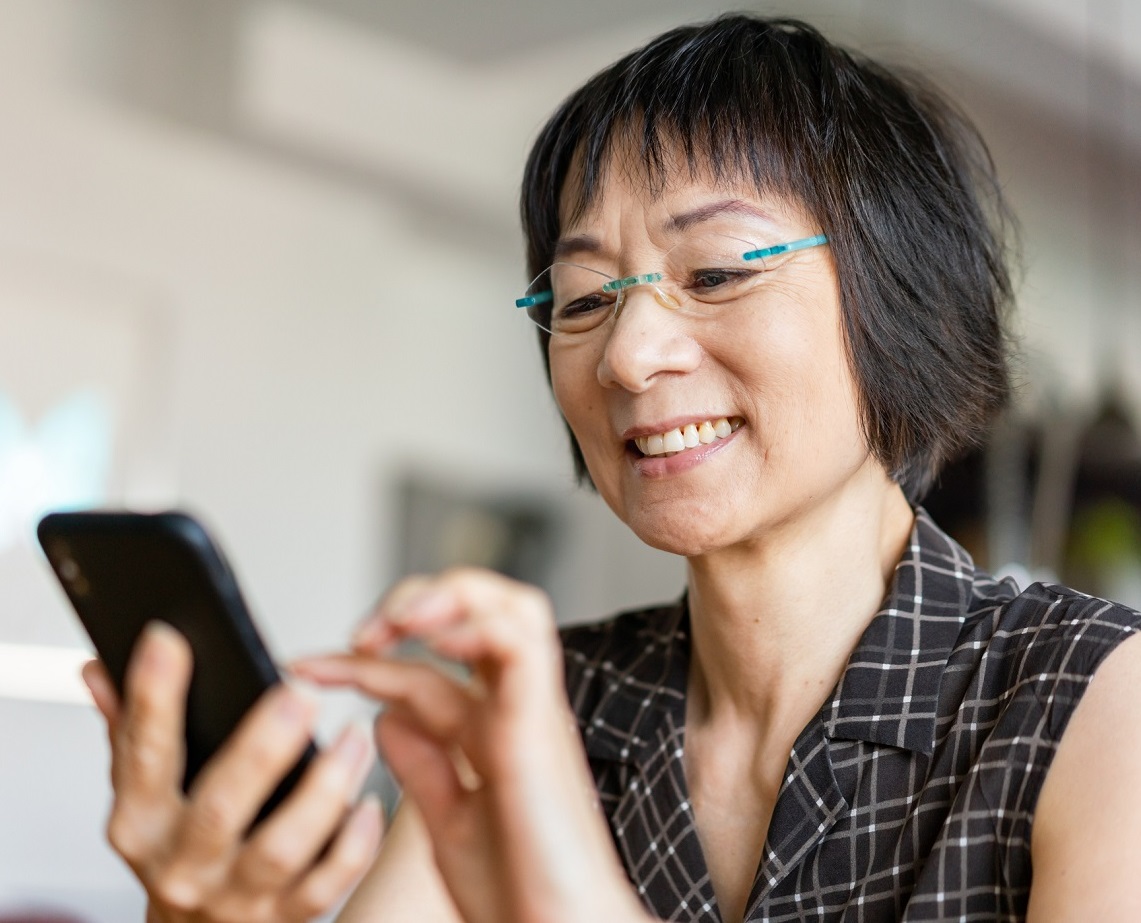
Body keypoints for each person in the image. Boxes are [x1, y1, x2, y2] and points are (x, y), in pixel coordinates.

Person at [80, 14, 1141, 923]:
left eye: (716, 271)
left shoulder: (1092, 699)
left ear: (902, 301)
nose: (628, 356)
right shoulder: (539, 707)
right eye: (582, 299)